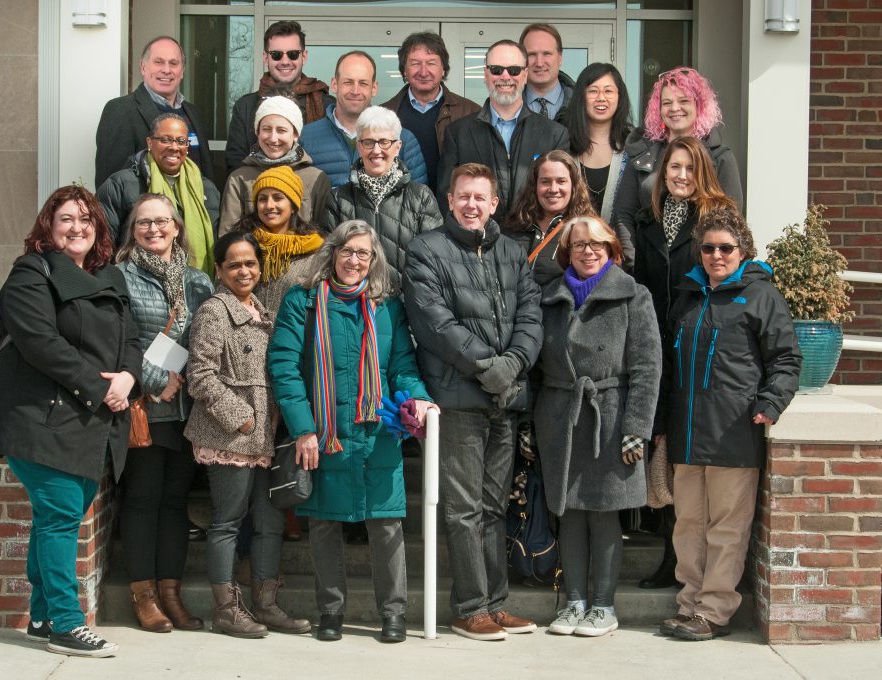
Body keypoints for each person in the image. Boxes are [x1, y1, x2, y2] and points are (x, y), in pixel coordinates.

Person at [0, 185, 142, 658]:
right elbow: (41, 344)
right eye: (66, 220)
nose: (77, 228)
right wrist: (101, 388)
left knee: (58, 516)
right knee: (58, 516)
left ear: (97, 229)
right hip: (40, 418)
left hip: (86, 420)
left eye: (86, 220)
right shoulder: (31, 275)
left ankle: (40, 616)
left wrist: (129, 378)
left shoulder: (109, 276)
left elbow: (132, 336)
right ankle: (67, 624)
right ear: (48, 228)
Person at [268, 220, 436, 644]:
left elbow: (402, 366)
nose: (354, 259)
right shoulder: (302, 301)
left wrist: (420, 398)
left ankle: (393, 613)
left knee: (386, 524)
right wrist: (303, 429)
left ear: (374, 260)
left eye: (363, 253)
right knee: (324, 523)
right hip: (325, 433)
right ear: (332, 253)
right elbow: (285, 367)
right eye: (347, 250)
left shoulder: (387, 308)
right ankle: (331, 611)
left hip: (376, 431)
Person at [404, 163, 543, 641]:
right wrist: (493, 368)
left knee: (492, 508)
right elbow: (435, 324)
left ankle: (493, 604)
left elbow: (531, 316)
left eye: (479, 197)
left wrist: (516, 363)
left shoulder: (512, 251)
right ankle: (468, 608)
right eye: (463, 196)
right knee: (463, 509)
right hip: (458, 399)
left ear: (494, 202)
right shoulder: (427, 250)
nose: (471, 205)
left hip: (504, 399)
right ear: (449, 200)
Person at [658, 207, 800, 641]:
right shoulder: (689, 295)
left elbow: (786, 359)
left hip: (734, 430)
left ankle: (715, 611)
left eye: (726, 248)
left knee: (726, 529)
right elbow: (667, 364)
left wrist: (771, 403)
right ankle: (690, 604)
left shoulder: (761, 296)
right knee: (688, 526)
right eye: (708, 247)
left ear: (743, 251)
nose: (716, 255)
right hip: (687, 432)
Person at [534, 216, 661, 638]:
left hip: (611, 416)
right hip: (560, 415)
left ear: (612, 250)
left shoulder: (633, 296)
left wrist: (636, 429)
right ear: (566, 252)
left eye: (597, 245)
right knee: (568, 513)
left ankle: (603, 607)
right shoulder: (549, 298)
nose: (588, 252)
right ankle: (573, 603)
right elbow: (536, 367)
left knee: (604, 513)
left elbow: (647, 368)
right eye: (579, 245)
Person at [186, 231, 311, 639]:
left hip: (266, 437)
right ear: (220, 270)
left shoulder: (263, 312)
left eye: (251, 263)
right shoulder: (213, 311)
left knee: (270, 522)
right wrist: (240, 418)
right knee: (227, 523)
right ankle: (226, 609)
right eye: (235, 264)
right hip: (229, 437)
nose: (244, 270)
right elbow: (200, 375)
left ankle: (266, 603)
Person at [631, 136, 738, 590]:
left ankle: (700, 567)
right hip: (656, 343)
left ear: (702, 174)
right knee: (664, 450)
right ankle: (672, 558)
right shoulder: (647, 222)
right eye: (673, 167)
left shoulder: (713, 225)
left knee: (689, 457)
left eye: (688, 168)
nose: (679, 175)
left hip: (697, 343)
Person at [112, 194, 213, 634]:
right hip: (145, 409)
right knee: (143, 500)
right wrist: (156, 379)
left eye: (161, 222)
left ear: (176, 227)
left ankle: (171, 594)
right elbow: (119, 338)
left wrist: (182, 376)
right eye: (142, 224)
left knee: (175, 503)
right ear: (132, 232)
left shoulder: (197, 281)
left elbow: (205, 336)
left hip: (187, 410)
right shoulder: (119, 278)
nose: (153, 230)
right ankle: (144, 594)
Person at [612, 66, 744, 264]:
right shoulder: (642, 153)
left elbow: (730, 221)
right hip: (647, 269)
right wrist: (633, 262)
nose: (674, 108)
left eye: (683, 101)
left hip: (700, 271)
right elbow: (624, 214)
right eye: (667, 102)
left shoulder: (720, 157)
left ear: (699, 106)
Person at [436, 40, 569, 224]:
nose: (505, 76)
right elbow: (447, 197)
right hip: (477, 245)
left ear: (525, 74)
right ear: (485, 74)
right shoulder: (458, 133)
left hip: (533, 245)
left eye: (514, 70)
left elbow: (562, 198)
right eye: (497, 69)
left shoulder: (554, 134)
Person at [325, 106, 443, 284]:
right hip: (354, 304)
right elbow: (329, 260)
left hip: (406, 305)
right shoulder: (338, 199)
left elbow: (434, 258)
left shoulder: (421, 197)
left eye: (384, 142)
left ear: (397, 147)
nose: (376, 150)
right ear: (359, 146)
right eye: (368, 142)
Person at [98, 113, 219, 273]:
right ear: (149, 142)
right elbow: (102, 244)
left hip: (194, 289)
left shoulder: (207, 189)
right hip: (136, 284)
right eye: (165, 140)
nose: (174, 147)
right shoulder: (121, 185)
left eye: (181, 141)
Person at [95, 36, 213, 187]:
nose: (166, 70)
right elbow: (111, 184)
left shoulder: (193, 113)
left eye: (173, 63)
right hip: (147, 209)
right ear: (143, 67)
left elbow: (206, 173)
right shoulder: (120, 111)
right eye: (158, 62)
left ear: (182, 71)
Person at [299, 51, 428, 188]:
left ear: (374, 88)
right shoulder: (306, 138)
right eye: (348, 82)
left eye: (363, 83)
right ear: (334, 84)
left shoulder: (403, 139)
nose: (355, 91)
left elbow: (419, 203)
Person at [225, 21, 334, 174]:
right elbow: (236, 163)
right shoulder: (246, 106)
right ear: (265, 57)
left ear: (304, 56)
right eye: (276, 55)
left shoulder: (326, 106)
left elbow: (332, 160)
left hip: (312, 193)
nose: (285, 61)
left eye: (293, 54)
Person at [382, 32, 481, 192]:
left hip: (454, 209)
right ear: (404, 70)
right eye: (415, 63)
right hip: (399, 210)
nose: (423, 71)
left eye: (431, 63)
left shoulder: (472, 112)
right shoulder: (384, 114)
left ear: (443, 69)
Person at [221, 95, 331, 235]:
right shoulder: (239, 178)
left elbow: (324, 240)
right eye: (266, 129)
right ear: (258, 132)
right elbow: (227, 239)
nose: (273, 138)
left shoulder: (316, 179)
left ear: (295, 134)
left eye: (281, 130)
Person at [231, 165, 325, 314]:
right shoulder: (240, 244)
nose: (269, 205)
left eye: (278, 198)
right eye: (262, 199)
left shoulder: (315, 252)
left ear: (293, 206)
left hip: (294, 334)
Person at [504, 150, 595, 287]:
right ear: (534, 186)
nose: (553, 189)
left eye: (561, 181)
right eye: (545, 181)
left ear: (574, 186)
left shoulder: (589, 231)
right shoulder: (512, 228)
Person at [565, 63, 633, 222]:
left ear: (619, 96)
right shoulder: (563, 141)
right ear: (581, 97)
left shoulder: (633, 144)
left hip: (622, 243)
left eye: (608, 91)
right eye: (593, 91)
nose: (601, 98)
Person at [520, 23, 575, 123]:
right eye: (532, 54)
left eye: (547, 54)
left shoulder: (583, 104)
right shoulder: (506, 105)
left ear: (560, 58)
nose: (539, 63)